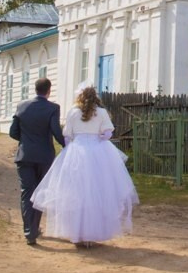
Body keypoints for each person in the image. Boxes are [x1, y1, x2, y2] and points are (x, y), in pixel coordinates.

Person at [31, 85, 139, 247]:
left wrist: (68, 149)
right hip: (98, 152)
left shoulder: (73, 112)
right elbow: (108, 132)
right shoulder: (101, 112)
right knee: (98, 192)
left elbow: (67, 135)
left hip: (77, 151)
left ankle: (77, 233)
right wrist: (102, 136)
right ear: (95, 97)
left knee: (75, 193)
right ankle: (92, 233)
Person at [9, 76, 65, 246]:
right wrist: (66, 145)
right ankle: (34, 229)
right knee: (40, 192)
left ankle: (29, 231)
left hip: (24, 155)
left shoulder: (21, 106)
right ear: (49, 91)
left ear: (35, 89)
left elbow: (13, 132)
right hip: (44, 156)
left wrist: (25, 141)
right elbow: (56, 130)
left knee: (26, 192)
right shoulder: (53, 108)